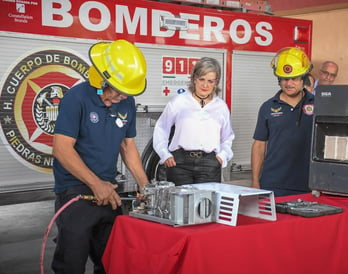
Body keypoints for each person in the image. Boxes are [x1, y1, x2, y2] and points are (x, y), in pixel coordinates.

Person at [52, 39, 150, 273]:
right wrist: (96, 184)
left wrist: (146, 186)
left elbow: (127, 147)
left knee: (112, 261)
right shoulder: (76, 98)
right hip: (75, 190)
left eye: (127, 93)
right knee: (71, 263)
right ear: (101, 80)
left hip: (109, 189)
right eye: (118, 91)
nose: (123, 98)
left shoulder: (127, 103)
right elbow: (62, 149)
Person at [153, 57, 235, 186]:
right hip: (179, 164)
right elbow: (161, 128)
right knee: (180, 205)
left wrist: (221, 157)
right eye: (201, 79)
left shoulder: (221, 107)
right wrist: (165, 154)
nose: (205, 85)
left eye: (210, 81)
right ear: (194, 79)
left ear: (216, 82)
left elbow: (227, 137)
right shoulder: (179, 102)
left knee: (206, 205)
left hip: (209, 165)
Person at [251, 47, 314, 196]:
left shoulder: (319, 104)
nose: (289, 83)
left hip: (309, 184)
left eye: (295, 78)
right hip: (273, 183)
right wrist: (255, 181)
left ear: (304, 78)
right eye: (285, 78)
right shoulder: (267, 107)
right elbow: (259, 145)